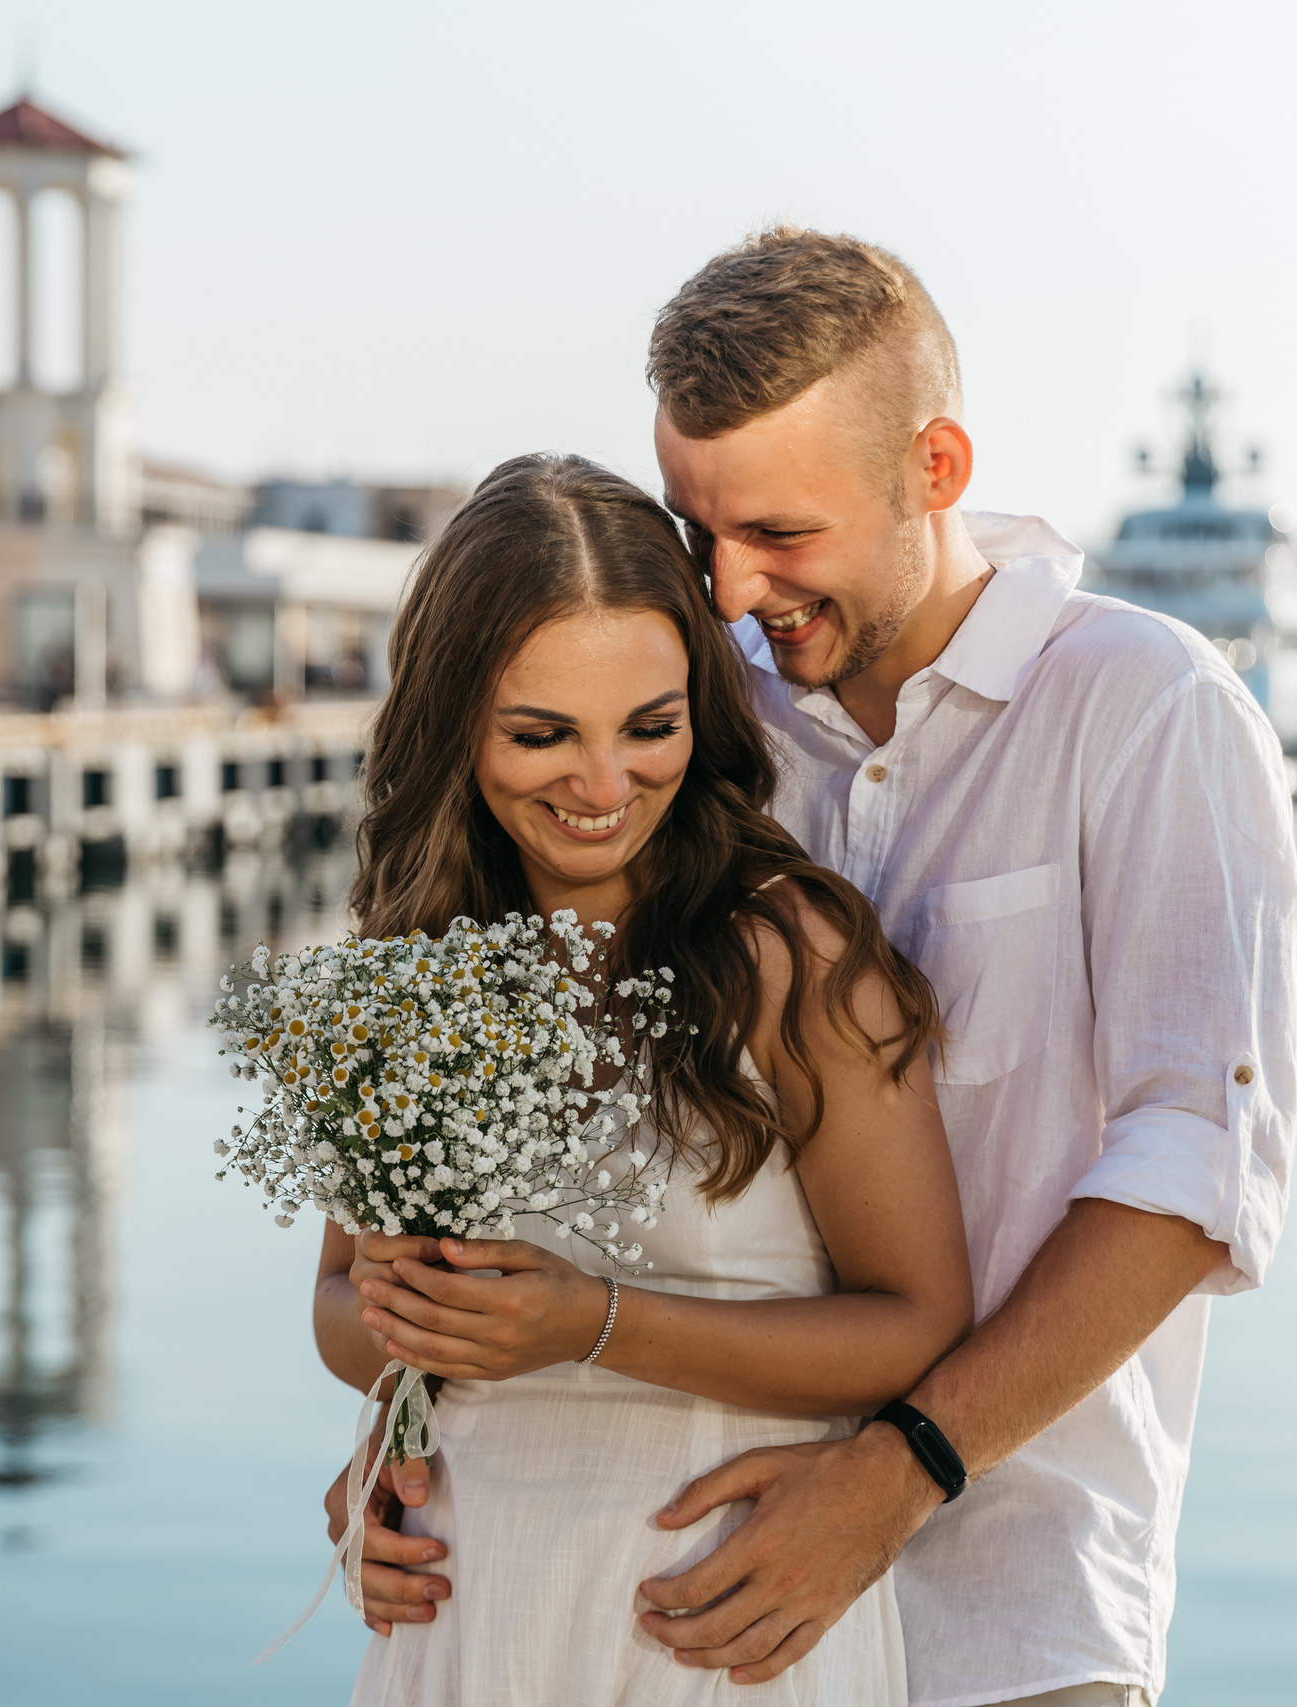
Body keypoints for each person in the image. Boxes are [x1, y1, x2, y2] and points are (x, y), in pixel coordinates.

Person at [337, 230, 1297, 1706]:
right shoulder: (695, 721)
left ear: (936, 465)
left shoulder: (1148, 709)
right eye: (698, 525)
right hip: (654, 1613)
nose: (732, 579)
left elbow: (1192, 1171)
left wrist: (896, 1470)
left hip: (1009, 1612)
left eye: (783, 532)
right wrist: (413, 1428)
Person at [311, 451, 976, 1704]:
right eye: (540, 733)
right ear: (457, 720)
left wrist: (592, 1326)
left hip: (726, 1615)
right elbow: (339, 1309)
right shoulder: (404, 970)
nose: (604, 785)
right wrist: (411, 1337)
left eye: (649, 727)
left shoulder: (787, 956)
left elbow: (914, 1326)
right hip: (470, 1596)